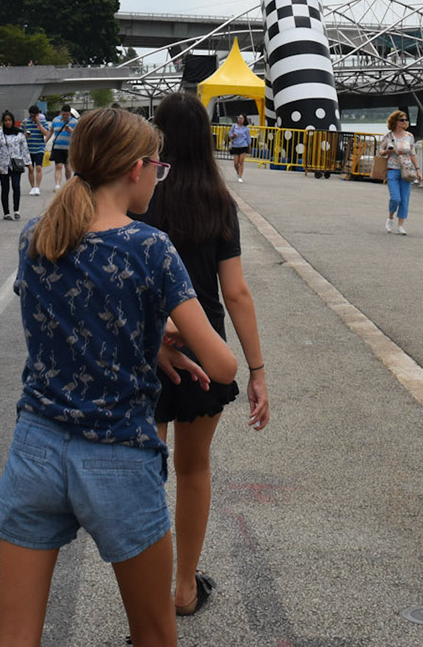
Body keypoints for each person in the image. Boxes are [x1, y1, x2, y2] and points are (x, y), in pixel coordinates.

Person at [0, 108, 239, 647]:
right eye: (157, 167)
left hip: (36, 447)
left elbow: (75, 317)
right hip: (118, 451)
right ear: (134, 168)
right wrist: (170, 331)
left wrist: (151, 339)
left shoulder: (36, 236)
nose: (158, 178)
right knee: (154, 632)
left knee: (14, 632)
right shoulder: (150, 247)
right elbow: (222, 366)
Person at [136, 93, 270, 618]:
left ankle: (147, 595)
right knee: (194, 469)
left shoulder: (140, 196)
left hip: (145, 344)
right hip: (203, 344)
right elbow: (236, 292)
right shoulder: (218, 201)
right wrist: (257, 370)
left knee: (146, 470)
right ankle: (184, 586)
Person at [378, 110, 420, 236]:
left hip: (406, 170)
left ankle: (400, 226)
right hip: (392, 169)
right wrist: (388, 152)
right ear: (395, 122)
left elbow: (412, 154)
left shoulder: (409, 136)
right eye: (402, 120)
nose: (404, 122)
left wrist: (418, 169)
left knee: (404, 199)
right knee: (395, 198)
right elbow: (380, 150)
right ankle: (390, 217)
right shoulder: (389, 136)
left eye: (406, 120)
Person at [0, 111, 31, 221]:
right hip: (3, 164)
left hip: (16, 164)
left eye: (9, 120)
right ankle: (6, 212)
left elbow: (24, 149)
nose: (8, 122)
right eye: (5, 120)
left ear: (13, 121)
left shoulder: (19, 134)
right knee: (5, 188)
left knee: (16, 186)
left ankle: (16, 210)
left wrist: (28, 164)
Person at [49, 106, 78, 185]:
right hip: (57, 147)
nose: (65, 116)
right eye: (63, 114)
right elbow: (51, 131)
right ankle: (57, 184)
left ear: (70, 114)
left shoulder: (74, 122)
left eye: (67, 115)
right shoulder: (55, 120)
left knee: (68, 167)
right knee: (58, 166)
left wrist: (70, 130)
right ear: (61, 112)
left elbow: (78, 134)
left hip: (69, 148)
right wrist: (45, 141)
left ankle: (67, 183)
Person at [24, 106, 48, 196]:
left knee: (38, 167)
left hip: (39, 148)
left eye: (35, 115)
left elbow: (46, 133)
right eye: (32, 116)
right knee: (30, 168)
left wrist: (39, 125)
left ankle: (37, 187)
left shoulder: (43, 122)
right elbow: (20, 134)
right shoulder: (25, 122)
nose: (34, 117)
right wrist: (25, 135)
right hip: (29, 148)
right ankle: (32, 187)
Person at [226, 113, 252, 182]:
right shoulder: (234, 126)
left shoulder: (246, 129)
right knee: (235, 163)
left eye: (241, 118)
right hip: (236, 145)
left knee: (241, 161)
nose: (240, 120)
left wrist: (249, 146)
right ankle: (238, 172)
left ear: (244, 120)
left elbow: (248, 138)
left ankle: (240, 177)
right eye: (239, 118)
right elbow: (230, 134)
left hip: (243, 145)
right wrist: (233, 136)